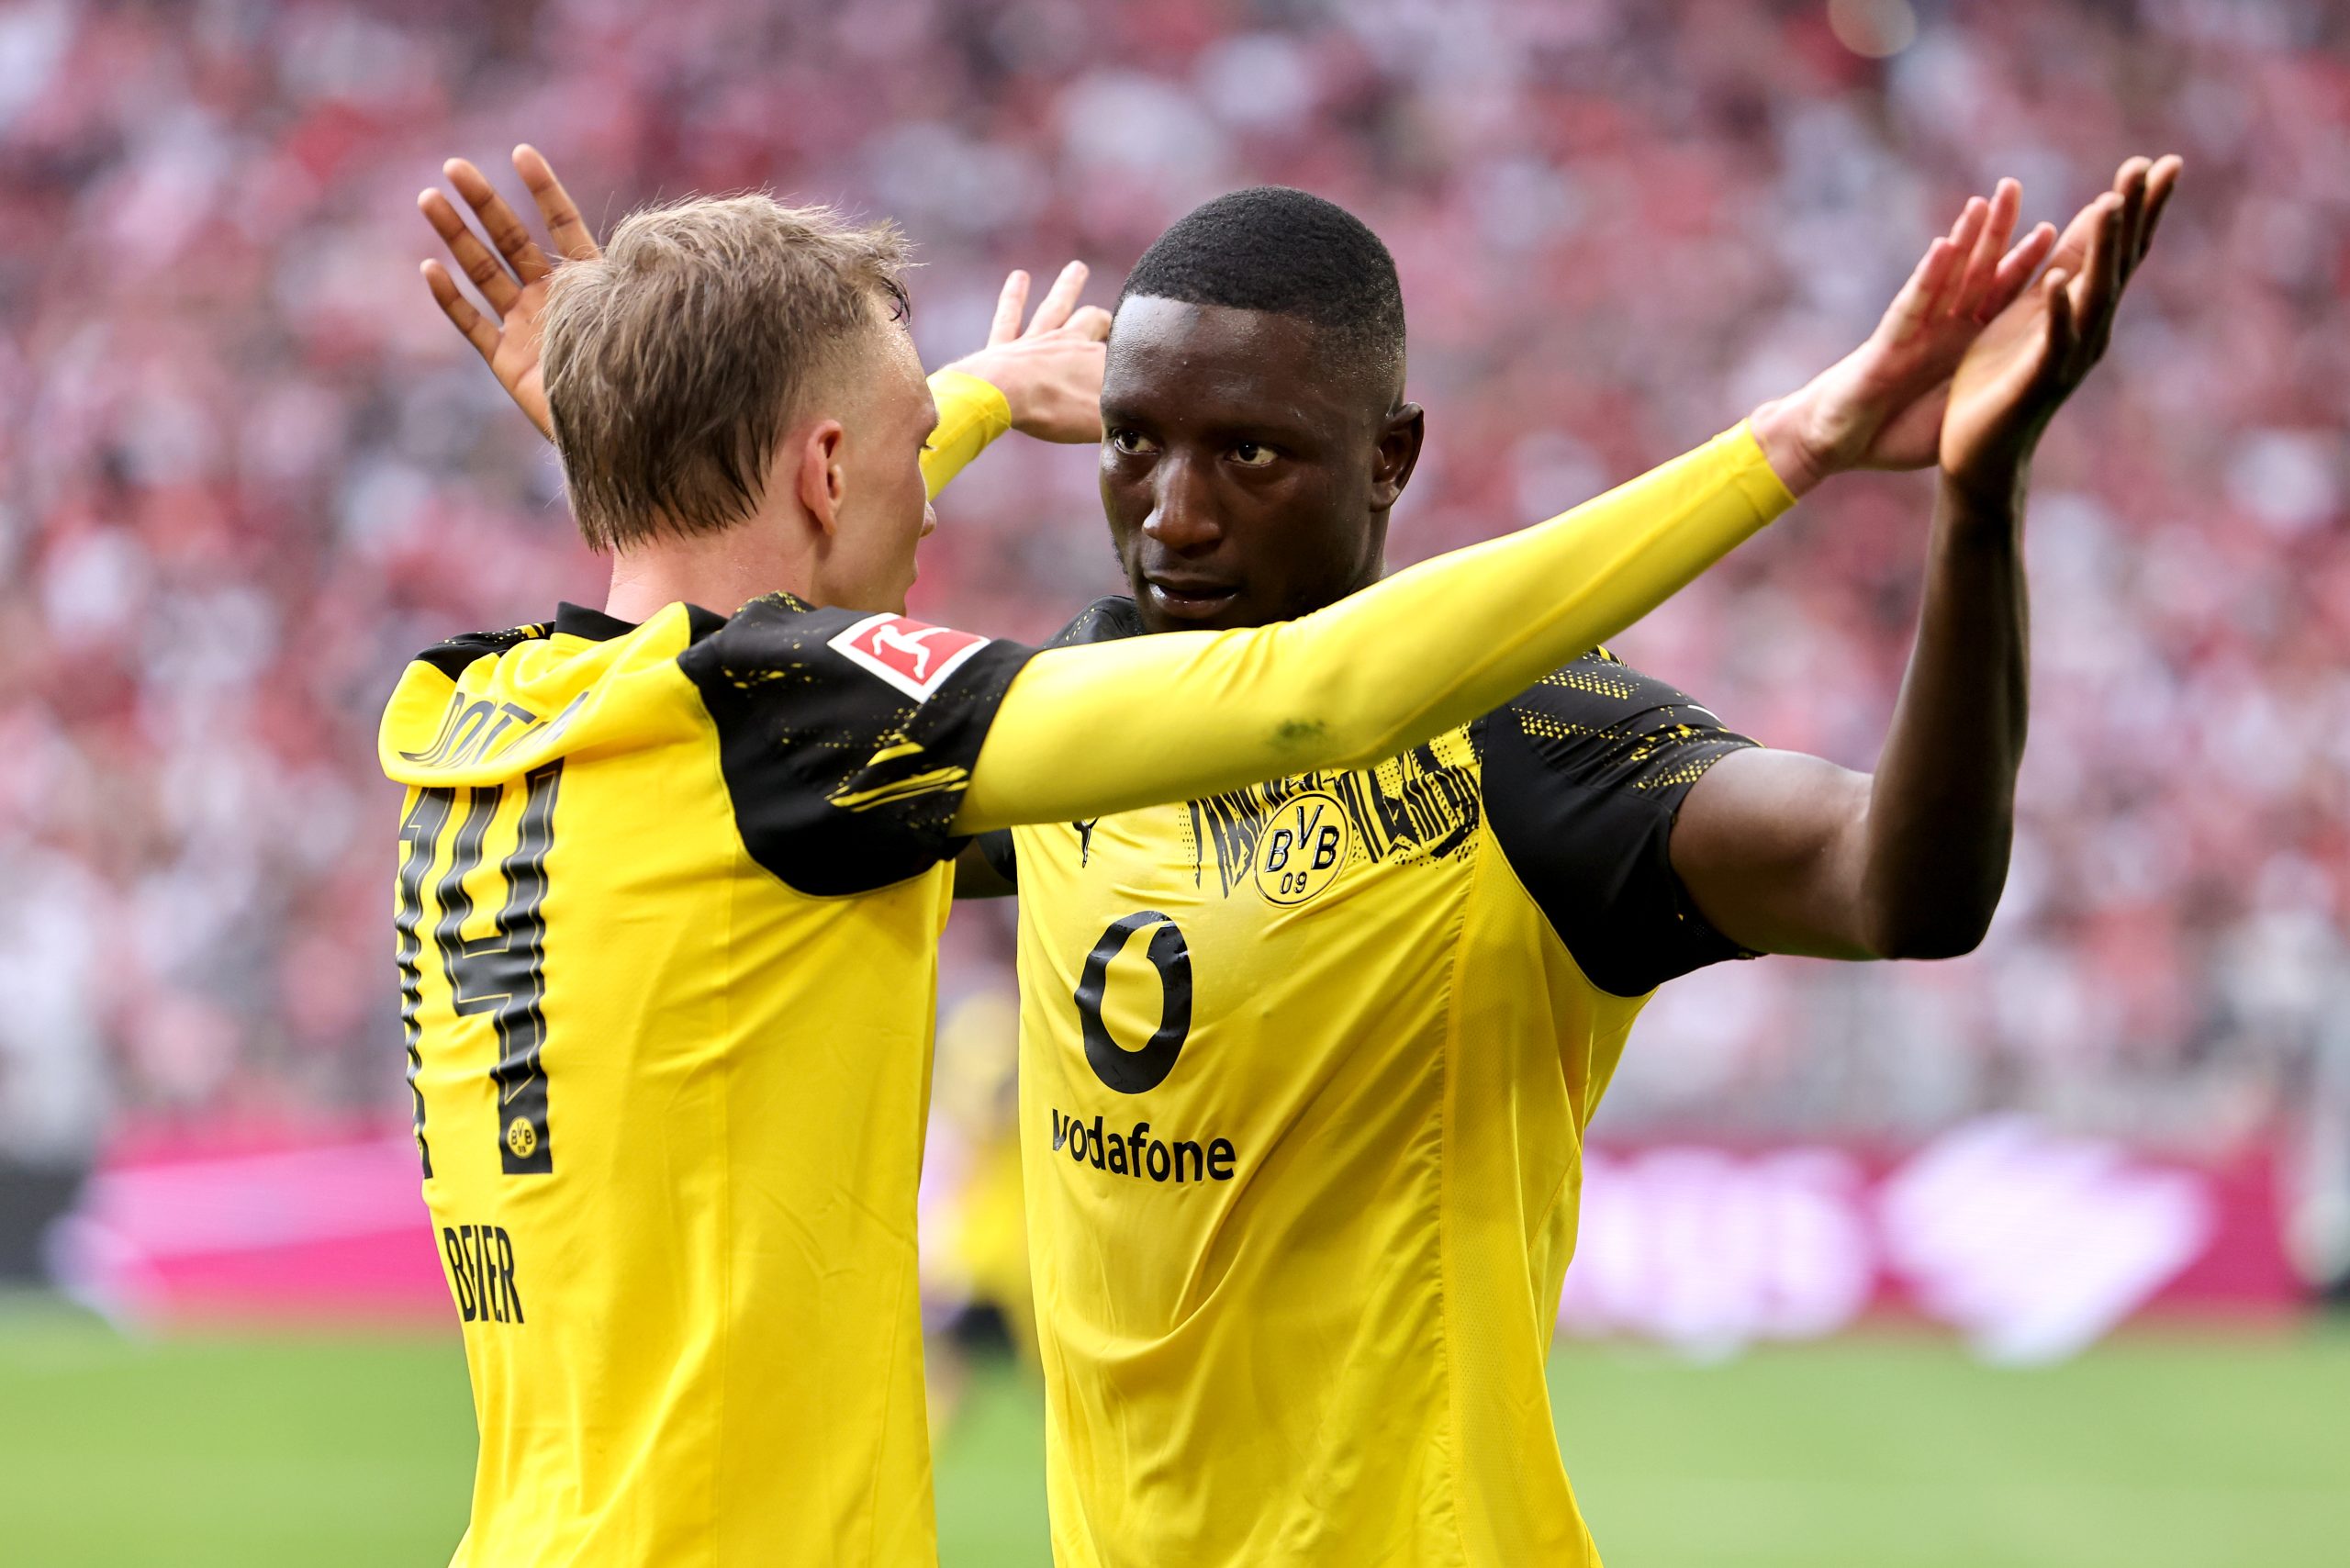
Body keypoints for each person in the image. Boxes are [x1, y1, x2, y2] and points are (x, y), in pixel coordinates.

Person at [391, 146, 1984, 1568]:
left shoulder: (481, 718)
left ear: (1388, 455)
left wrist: (688, 447)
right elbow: (1310, 696)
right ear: (821, 470)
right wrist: (1796, 442)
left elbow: (1895, 883)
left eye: (1249, 457)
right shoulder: (845, 747)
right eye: (1130, 442)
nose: (1172, 516)